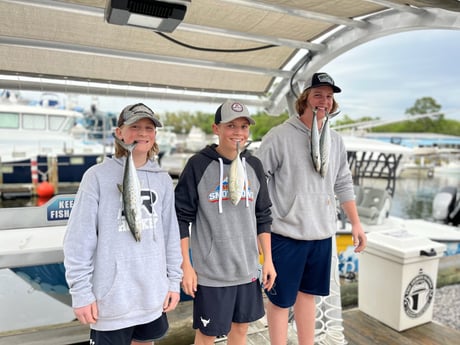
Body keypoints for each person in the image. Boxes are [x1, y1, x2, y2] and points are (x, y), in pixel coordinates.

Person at [254, 72, 367, 345]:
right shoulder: (279, 135)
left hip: (321, 235)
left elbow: (343, 183)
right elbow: (257, 179)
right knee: (281, 302)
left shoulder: (336, 140)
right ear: (305, 99)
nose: (324, 101)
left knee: (309, 297)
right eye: (318, 95)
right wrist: (260, 226)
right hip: (286, 235)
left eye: (329, 97)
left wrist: (356, 223)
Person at [63, 103, 183, 345]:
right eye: (134, 126)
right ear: (119, 133)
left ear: (155, 135)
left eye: (149, 128)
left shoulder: (162, 179)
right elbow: (79, 240)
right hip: (112, 302)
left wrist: (173, 282)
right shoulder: (96, 176)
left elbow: (171, 236)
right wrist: (81, 293)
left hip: (152, 297)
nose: (142, 133)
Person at [174, 99, 276, 345]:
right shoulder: (198, 165)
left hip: (247, 270)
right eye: (231, 126)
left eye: (243, 126)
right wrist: (186, 266)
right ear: (216, 128)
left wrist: (268, 261)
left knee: (240, 330)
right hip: (211, 273)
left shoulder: (253, 164)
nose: (238, 132)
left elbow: (263, 215)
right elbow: (180, 218)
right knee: (207, 334)